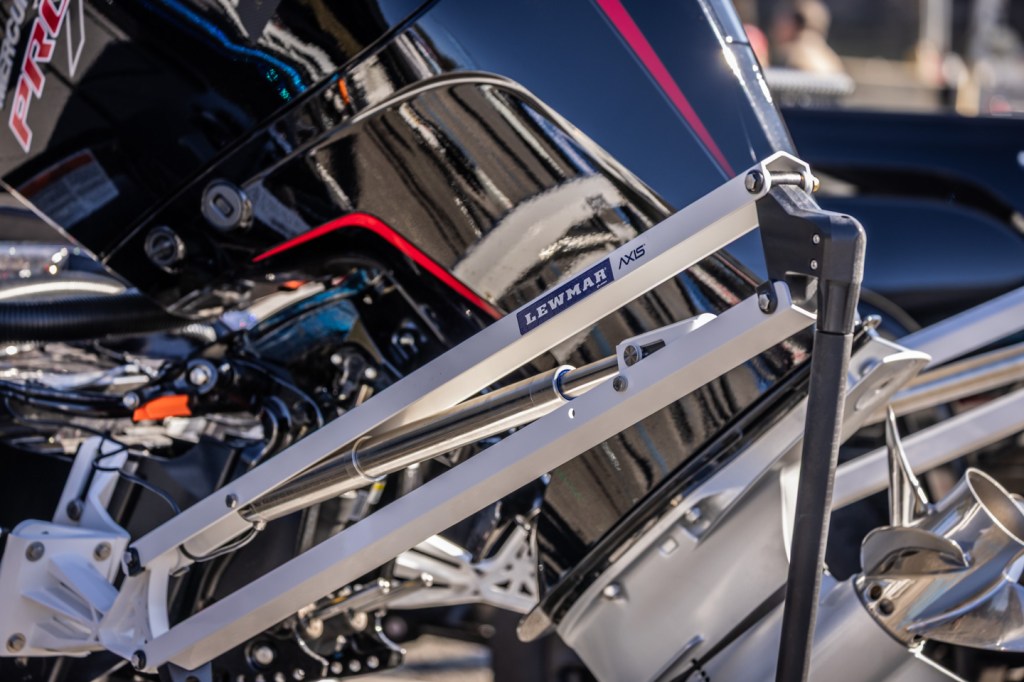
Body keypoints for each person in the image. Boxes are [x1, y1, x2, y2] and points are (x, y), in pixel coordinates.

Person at [771, 0, 845, 74]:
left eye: (780, 19)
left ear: (793, 23)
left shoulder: (787, 56)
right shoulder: (833, 60)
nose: (774, 27)